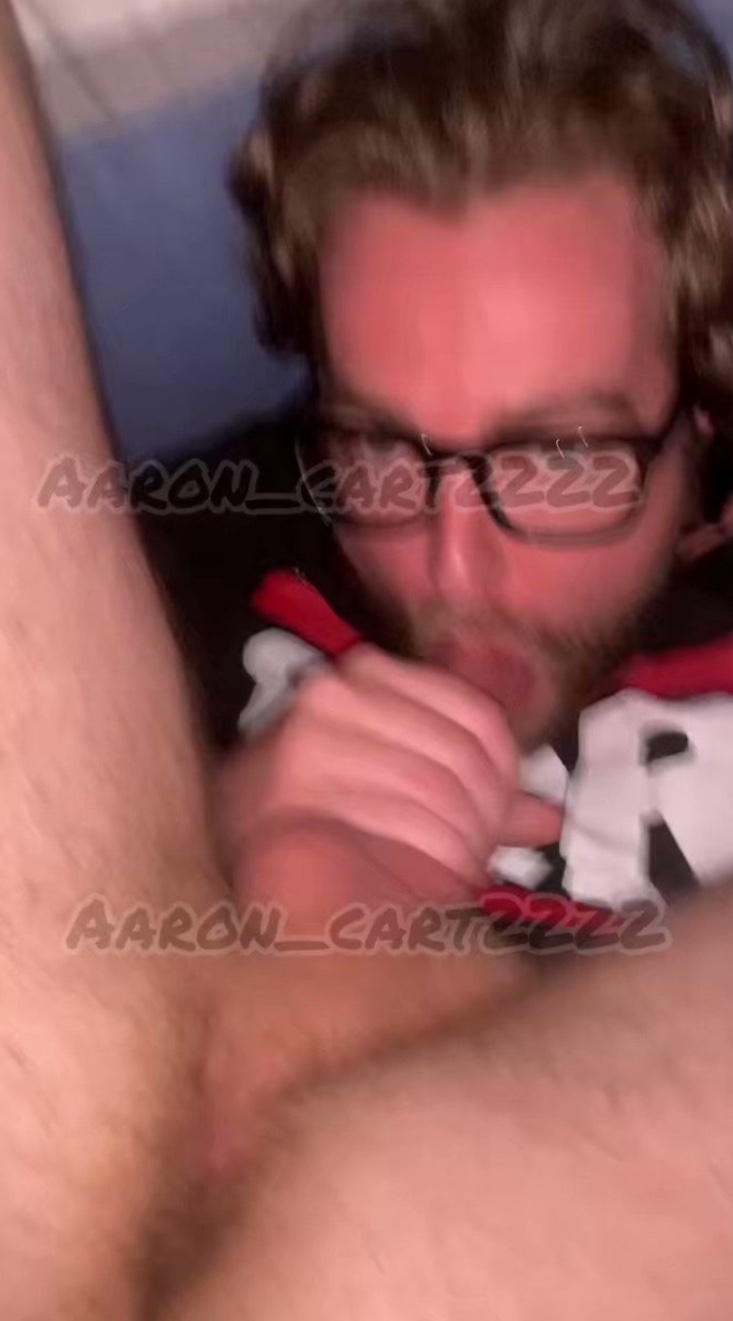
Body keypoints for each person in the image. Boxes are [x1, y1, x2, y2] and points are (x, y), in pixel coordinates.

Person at [141, 0, 733, 931]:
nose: (450, 573)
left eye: (558, 459)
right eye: (379, 446)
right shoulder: (163, 563)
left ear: (701, 412)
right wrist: (192, 847)